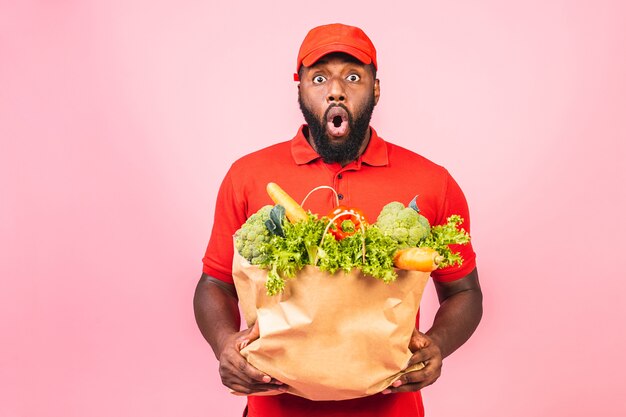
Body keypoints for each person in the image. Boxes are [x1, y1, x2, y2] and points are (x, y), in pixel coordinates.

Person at [194, 23, 483, 417]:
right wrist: (225, 344)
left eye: (352, 76)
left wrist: (437, 345)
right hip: (274, 408)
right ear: (300, 90)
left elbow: (464, 293)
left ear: (376, 89)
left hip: (391, 405)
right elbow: (214, 283)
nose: (335, 89)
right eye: (318, 78)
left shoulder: (431, 182)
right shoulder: (248, 175)